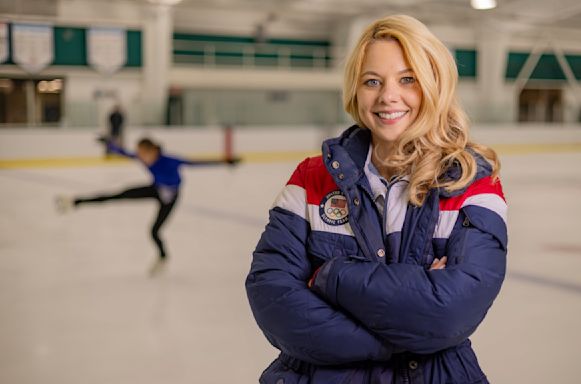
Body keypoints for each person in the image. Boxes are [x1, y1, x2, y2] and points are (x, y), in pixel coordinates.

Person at [246, 14, 507, 384]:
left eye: (407, 79)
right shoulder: (311, 178)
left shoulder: (470, 182)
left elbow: (448, 313)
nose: (388, 96)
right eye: (372, 81)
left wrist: (330, 277)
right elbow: (273, 299)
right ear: (355, 90)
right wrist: (404, 334)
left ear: (435, 84)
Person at [57, 137, 240, 276]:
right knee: (117, 195)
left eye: (144, 154)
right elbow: (123, 152)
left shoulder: (170, 160)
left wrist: (226, 161)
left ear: (153, 151)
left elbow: (196, 163)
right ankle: (75, 202)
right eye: (140, 154)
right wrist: (108, 143)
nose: (142, 158)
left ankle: (162, 258)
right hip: (155, 189)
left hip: (170, 198)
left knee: (154, 231)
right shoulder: (142, 157)